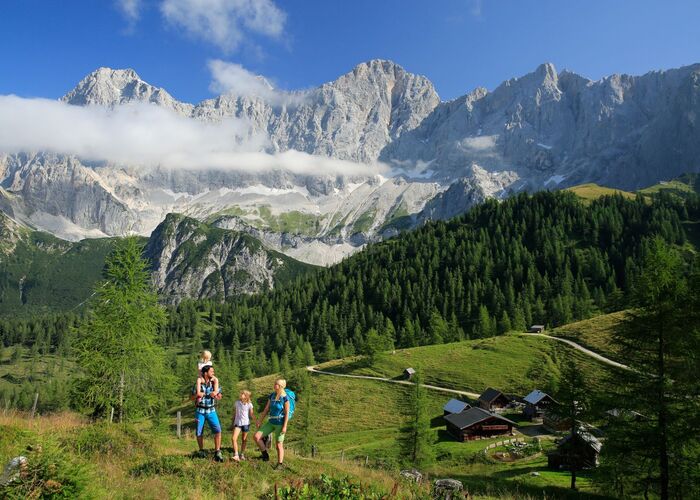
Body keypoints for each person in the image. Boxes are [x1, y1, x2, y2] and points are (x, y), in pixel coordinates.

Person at [254, 378, 290, 470]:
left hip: (280, 424)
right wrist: (260, 421)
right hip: (271, 422)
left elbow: (287, 413)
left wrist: (285, 426)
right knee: (257, 437)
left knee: (279, 445)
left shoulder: (285, 398)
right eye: (275, 383)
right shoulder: (272, 395)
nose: (274, 385)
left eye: (276, 384)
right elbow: (266, 409)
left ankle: (280, 464)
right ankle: (265, 456)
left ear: (281, 386)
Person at [195, 365, 224, 462]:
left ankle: (217, 451)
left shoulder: (214, 383)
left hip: (211, 411)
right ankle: (201, 451)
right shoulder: (198, 382)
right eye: (212, 371)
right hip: (200, 411)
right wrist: (197, 395)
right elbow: (191, 397)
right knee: (199, 432)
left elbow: (220, 395)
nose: (213, 373)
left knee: (218, 431)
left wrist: (217, 395)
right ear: (205, 373)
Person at [232, 390, 254, 462]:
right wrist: (232, 422)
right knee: (233, 438)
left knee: (244, 440)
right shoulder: (236, 403)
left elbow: (251, 414)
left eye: (242, 394)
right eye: (241, 393)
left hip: (246, 423)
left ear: (246, 396)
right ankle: (236, 455)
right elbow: (235, 413)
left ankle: (242, 454)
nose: (241, 394)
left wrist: (257, 422)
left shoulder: (249, 404)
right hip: (237, 423)